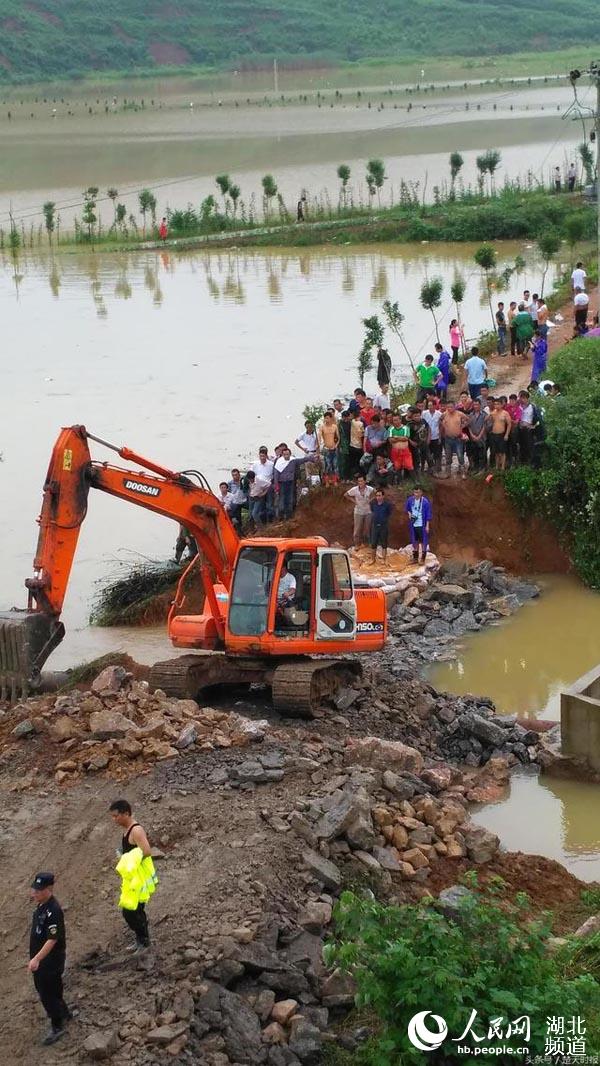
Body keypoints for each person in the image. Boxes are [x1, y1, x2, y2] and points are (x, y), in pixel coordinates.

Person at [29, 872, 70, 1046]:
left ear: (49, 889)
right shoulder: (41, 906)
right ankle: (64, 1012)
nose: (35, 892)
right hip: (45, 960)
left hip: (49, 960)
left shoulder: (53, 910)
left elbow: (52, 939)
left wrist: (37, 959)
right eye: (34, 889)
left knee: (47, 991)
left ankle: (57, 1025)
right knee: (54, 987)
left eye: (39, 890)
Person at [110, 800, 153, 952]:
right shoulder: (127, 829)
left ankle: (144, 942)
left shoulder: (136, 830)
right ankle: (141, 939)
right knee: (134, 910)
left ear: (126, 813)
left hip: (139, 878)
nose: (114, 819)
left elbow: (146, 851)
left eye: (116, 816)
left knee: (131, 911)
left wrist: (126, 860)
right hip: (132, 878)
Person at [273, 447, 309, 518]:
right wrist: (276, 484)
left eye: (288, 454)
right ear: (282, 455)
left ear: (290, 454)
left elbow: (302, 460)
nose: (286, 456)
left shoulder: (293, 460)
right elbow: (276, 474)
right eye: (285, 454)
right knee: (282, 499)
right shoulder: (279, 462)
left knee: (290, 498)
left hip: (290, 482)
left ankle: (289, 516)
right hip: (282, 483)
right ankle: (281, 516)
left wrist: (311, 458)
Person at [405, 485, 432, 563]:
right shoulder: (410, 500)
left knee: (423, 541)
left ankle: (423, 558)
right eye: (415, 492)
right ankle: (415, 557)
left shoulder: (425, 502)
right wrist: (409, 513)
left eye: (418, 492)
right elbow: (407, 508)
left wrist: (427, 525)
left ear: (421, 493)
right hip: (413, 524)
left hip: (422, 524)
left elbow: (428, 514)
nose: (416, 494)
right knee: (415, 540)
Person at [344, 475, 374, 546]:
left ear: (365, 481)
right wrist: (354, 501)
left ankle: (366, 543)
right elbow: (346, 495)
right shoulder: (354, 489)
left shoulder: (369, 489)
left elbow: (376, 493)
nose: (360, 483)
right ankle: (357, 544)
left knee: (367, 528)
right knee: (357, 529)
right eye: (359, 481)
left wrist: (371, 500)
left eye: (361, 481)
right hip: (358, 511)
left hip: (368, 511)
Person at [441, 401, 467, 478]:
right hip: (448, 439)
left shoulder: (459, 414)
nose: (449, 408)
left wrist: (462, 426)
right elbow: (440, 420)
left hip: (458, 438)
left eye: (451, 407)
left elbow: (468, 419)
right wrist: (443, 425)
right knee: (448, 456)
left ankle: (463, 472)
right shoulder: (444, 414)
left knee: (460, 455)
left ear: (455, 406)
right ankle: (448, 472)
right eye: (448, 407)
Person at [250, 446, 274, 525]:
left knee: (269, 504)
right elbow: (251, 476)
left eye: (263, 456)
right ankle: (263, 523)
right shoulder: (255, 464)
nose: (262, 458)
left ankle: (270, 522)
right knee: (261, 505)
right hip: (259, 487)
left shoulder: (271, 464)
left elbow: (273, 476)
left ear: (266, 456)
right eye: (261, 456)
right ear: (259, 456)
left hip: (268, 486)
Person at [370, 488, 394, 562]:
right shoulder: (373, 503)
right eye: (377, 496)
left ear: (383, 496)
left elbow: (389, 513)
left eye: (380, 495)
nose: (378, 497)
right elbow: (372, 510)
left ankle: (384, 560)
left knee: (384, 543)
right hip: (375, 526)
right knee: (373, 543)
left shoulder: (387, 505)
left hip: (383, 526)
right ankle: (372, 559)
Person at [487, 398, 511, 471]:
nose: (496, 406)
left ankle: (503, 467)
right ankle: (497, 466)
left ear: (501, 405)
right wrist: (490, 415)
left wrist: (506, 435)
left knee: (502, 452)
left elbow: (509, 424)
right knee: (496, 452)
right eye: (495, 404)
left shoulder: (505, 413)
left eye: (498, 404)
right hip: (494, 434)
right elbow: (486, 420)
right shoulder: (493, 413)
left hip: (502, 434)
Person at [388, 413, 414, 481]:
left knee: (409, 466)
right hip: (395, 451)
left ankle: (415, 482)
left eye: (397, 420)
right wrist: (401, 438)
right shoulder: (391, 428)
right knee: (397, 467)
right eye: (394, 420)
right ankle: (400, 483)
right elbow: (391, 440)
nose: (395, 422)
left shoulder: (405, 428)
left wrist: (396, 437)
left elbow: (406, 438)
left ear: (400, 420)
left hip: (405, 451)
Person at [318, 410, 340, 485]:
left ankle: (335, 480)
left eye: (328, 418)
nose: (326, 420)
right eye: (325, 418)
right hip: (326, 449)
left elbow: (338, 438)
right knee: (327, 466)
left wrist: (336, 445)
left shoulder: (334, 426)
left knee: (335, 465)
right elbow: (319, 437)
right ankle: (327, 481)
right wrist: (320, 445)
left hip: (334, 448)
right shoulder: (322, 427)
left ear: (331, 418)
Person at [518, 390, 540, 465]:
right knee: (521, 446)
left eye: (523, 398)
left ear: (527, 398)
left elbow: (538, 420)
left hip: (528, 430)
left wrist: (533, 426)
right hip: (520, 429)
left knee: (529, 446)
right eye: (521, 398)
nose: (522, 400)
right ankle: (522, 462)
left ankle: (531, 462)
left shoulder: (533, 407)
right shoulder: (518, 406)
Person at [466, 399, 488, 473]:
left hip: (482, 438)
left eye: (477, 405)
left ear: (480, 405)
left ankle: (482, 469)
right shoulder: (470, 415)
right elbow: (468, 426)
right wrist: (472, 435)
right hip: (473, 438)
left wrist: (479, 436)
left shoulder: (484, 415)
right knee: (475, 454)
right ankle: (476, 468)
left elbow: (485, 426)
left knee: (482, 454)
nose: (475, 406)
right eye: (474, 405)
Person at [423, 397, 443, 473]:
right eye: (428, 405)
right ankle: (430, 467)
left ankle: (438, 467)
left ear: (435, 406)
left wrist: (440, 438)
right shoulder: (424, 413)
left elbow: (441, 426)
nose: (430, 407)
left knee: (437, 453)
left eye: (431, 405)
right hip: (427, 437)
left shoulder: (439, 414)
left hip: (436, 436)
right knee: (428, 453)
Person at [506, 394, 523, 466]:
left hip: (515, 430)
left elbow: (516, 422)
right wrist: (511, 420)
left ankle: (515, 459)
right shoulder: (507, 408)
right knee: (507, 444)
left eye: (513, 400)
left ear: (516, 401)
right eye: (510, 400)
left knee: (514, 444)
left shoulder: (519, 409)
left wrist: (510, 419)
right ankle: (508, 459)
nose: (512, 402)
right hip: (507, 429)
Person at [349, 411, 365, 476]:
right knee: (359, 461)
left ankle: (354, 474)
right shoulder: (360, 424)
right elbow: (360, 434)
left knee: (353, 461)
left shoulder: (352, 422)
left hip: (352, 444)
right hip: (358, 445)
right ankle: (359, 474)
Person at [338, 409, 352, 480]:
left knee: (349, 461)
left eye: (347, 417)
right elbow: (337, 436)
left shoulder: (351, 423)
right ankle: (343, 478)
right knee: (343, 462)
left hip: (350, 444)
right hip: (343, 445)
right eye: (344, 417)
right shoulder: (339, 425)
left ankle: (349, 478)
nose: (346, 419)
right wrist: (339, 445)